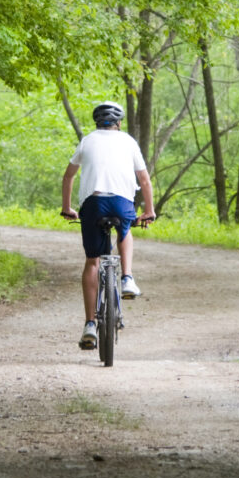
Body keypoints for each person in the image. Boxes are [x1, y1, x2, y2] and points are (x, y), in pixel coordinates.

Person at [61, 101, 156, 350]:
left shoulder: (87, 141)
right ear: (119, 123)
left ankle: (90, 324)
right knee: (125, 230)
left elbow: (68, 176)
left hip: (92, 204)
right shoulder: (128, 141)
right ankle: (127, 277)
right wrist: (149, 210)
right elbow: (144, 181)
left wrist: (67, 208)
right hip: (121, 203)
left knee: (93, 261)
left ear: (96, 122)